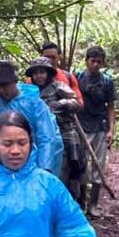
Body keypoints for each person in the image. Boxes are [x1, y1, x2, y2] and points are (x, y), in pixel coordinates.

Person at [25, 56, 86, 206]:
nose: (39, 76)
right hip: (40, 135)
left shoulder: (58, 86)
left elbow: (76, 102)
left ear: (49, 73)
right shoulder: (30, 92)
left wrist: (60, 104)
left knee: (74, 160)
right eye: (36, 73)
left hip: (64, 130)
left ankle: (78, 196)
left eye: (42, 72)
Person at [76, 45, 117, 217]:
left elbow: (111, 107)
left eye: (99, 62)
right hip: (80, 126)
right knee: (81, 165)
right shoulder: (77, 78)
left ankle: (93, 205)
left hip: (100, 126)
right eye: (92, 61)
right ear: (86, 61)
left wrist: (111, 130)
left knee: (98, 164)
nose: (95, 65)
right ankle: (81, 204)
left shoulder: (107, 81)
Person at [39, 42, 84, 107]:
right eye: (47, 57)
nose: (50, 60)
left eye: (53, 57)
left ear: (59, 57)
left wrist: (61, 104)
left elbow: (80, 103)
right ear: (41, 57)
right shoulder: (32, 79)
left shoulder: (68, 76)